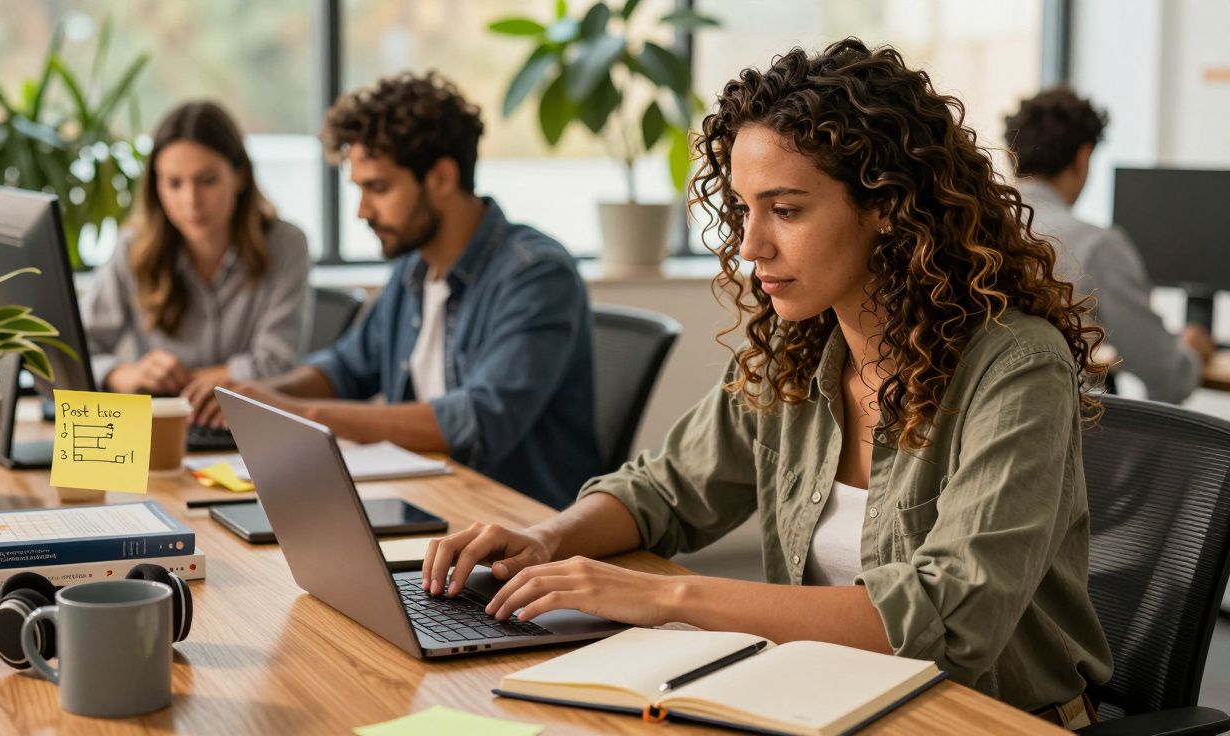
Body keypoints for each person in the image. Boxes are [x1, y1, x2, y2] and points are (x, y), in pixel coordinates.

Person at [420, 39, 1114, 725]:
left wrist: (667, 599)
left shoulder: (1017, 367)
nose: (751, 246)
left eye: (785, 211)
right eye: (744, 209)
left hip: (985, 720)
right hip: (829, 703)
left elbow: (948, 619)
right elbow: (666, 491)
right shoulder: (797, 345)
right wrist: (548, 538)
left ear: (887, 205)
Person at [213, 72, 598, 508]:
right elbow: (346, 369)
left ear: (442, 178)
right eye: (358, 189)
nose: (361, 211)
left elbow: (475, 420)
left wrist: (301, 415)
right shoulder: (413, 270)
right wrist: (260, 398)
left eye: (378, 188)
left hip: (521, 524)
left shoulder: (536, 276)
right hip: (432, 505)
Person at [82, 100, 312, 420]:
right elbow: (77, 351)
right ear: (156, 187)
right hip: (159, 429)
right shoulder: (132, 248)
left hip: (242, 427)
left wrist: (179, 383)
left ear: (240, 176)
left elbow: (277, 363)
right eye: (174, 183)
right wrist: (123, 375)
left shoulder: (286, 245)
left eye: (207, 180)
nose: (190, 201)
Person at [1005, 87, 1213, 403]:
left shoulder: (972, 227)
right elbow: (1167, 377)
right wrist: (1192, 349)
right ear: (1083, 156)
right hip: (1056, 430)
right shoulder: (1096, 246)